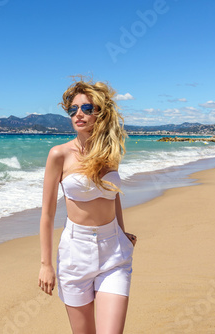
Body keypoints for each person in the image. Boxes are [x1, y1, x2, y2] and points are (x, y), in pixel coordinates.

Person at [38, 78, 136, 333]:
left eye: (87, 108)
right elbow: (47, 215)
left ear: (101, 113)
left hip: (114, 251)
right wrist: (46, 264)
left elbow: (112, 196)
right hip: (75, 253)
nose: (78, 114)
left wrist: (122, 233)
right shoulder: (59, 154)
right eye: (73, 109)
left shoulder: (110, 152)